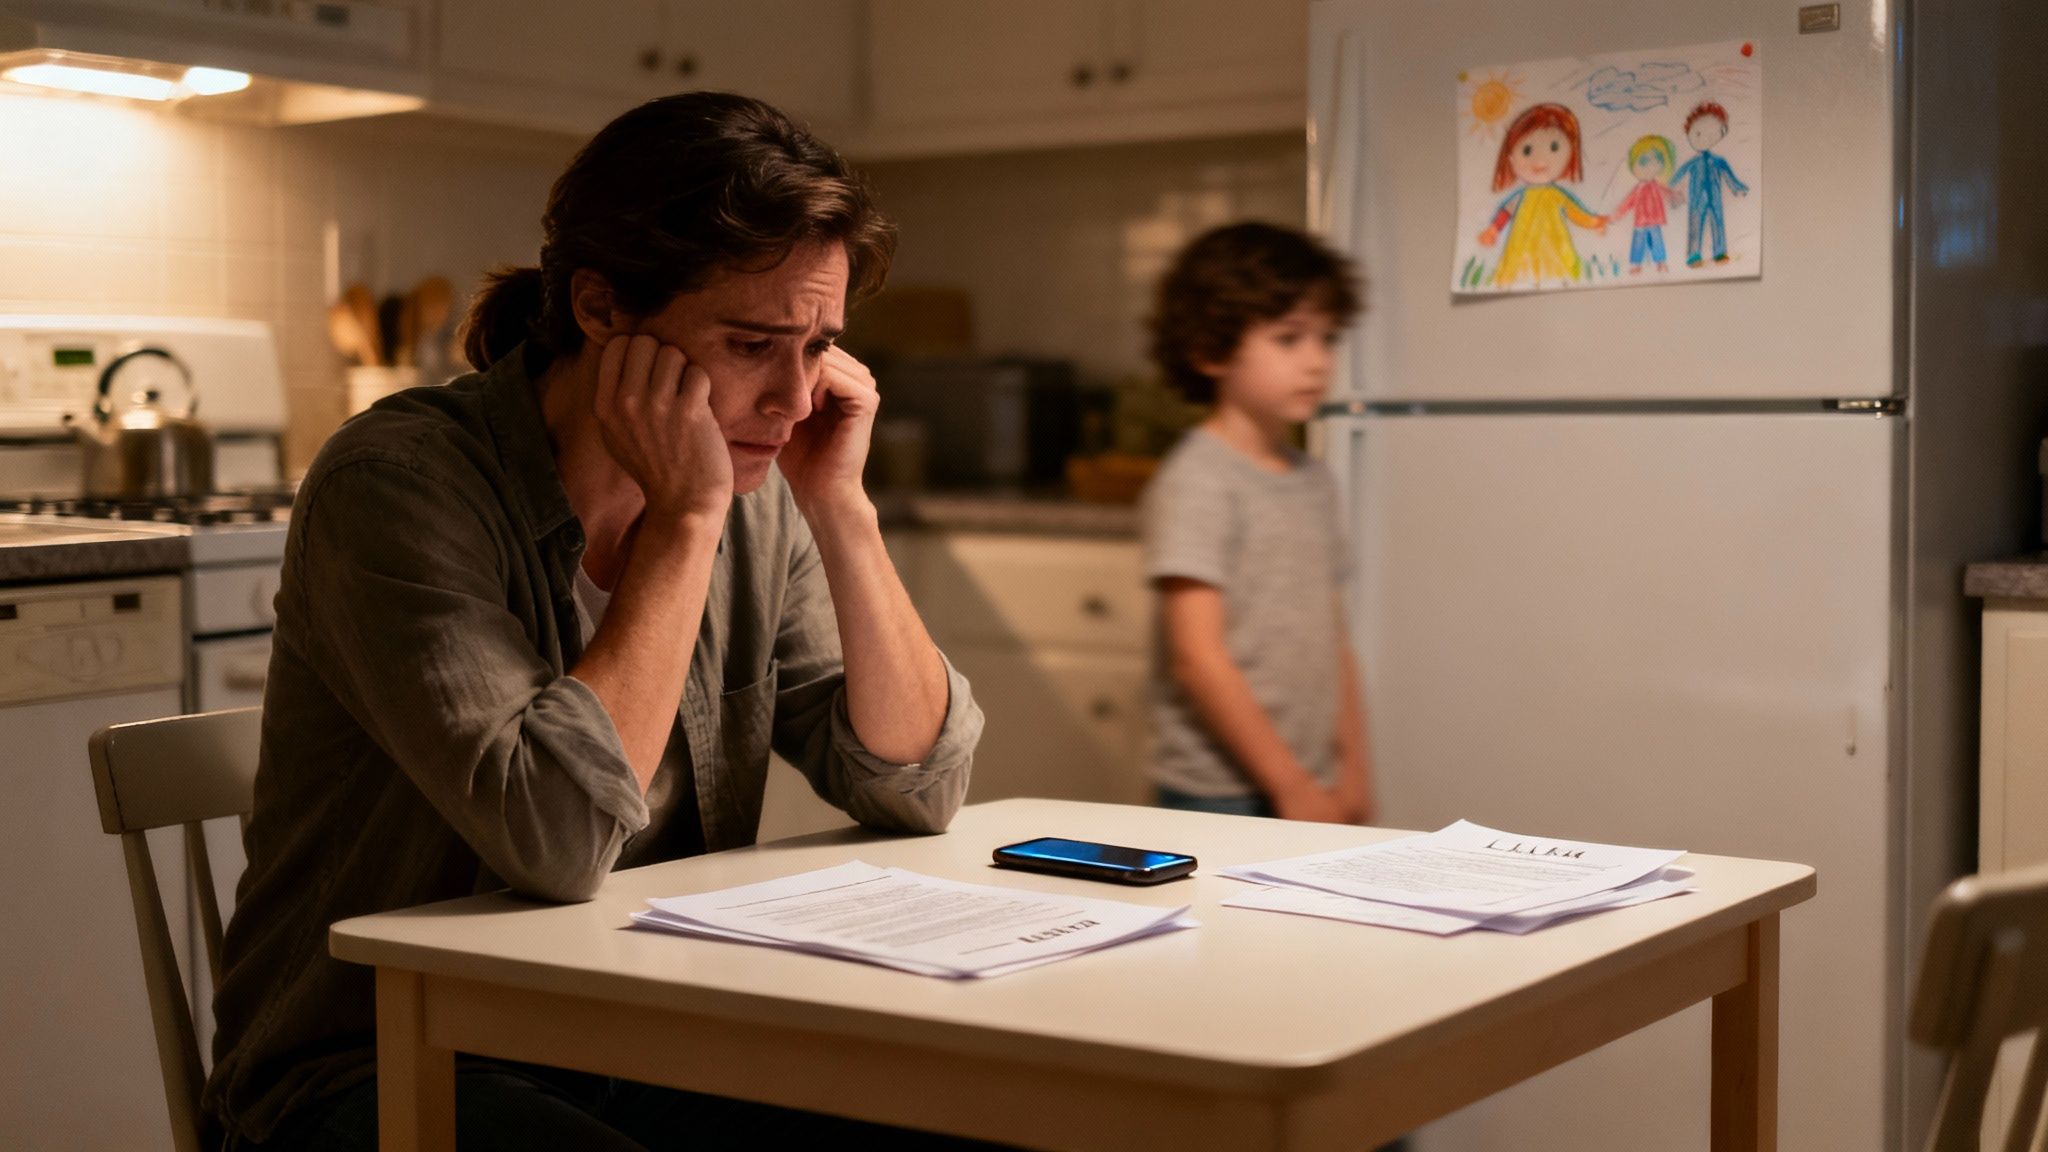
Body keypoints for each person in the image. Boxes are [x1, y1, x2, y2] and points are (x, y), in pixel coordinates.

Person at [204, 92, 989, 1151]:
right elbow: (558, 840)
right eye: (755, 344)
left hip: (638, 1036)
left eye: (819, 348)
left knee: (963, 1118)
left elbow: (915, 782)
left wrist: (840, 509)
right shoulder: (395, 483)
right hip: (380, 1066)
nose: (797, 400)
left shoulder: (762, 492)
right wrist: (685, 520)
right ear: (602, 309)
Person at [1141, 222, 1376, 827]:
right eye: (1290, 338)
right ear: (1211, 349)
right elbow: (1197, 657)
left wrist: (1354, 774)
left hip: (1313, 782)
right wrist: (1290, 785)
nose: (1318, 361)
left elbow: (1333, 641)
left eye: (1326, 338)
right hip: (1219, 793)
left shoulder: (1313, 481)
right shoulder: (1198, 480)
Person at [1476, 102, 1608, 288]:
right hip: (1522, 247)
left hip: (1554, 247)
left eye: (1554, 147)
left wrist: (1594, 222)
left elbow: (1574, 212)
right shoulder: (1521, 197)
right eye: (1527, 150)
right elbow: (1506, 211)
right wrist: (1494, 229)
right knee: (1522, 275)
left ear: (1570, 152)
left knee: (1558, 274)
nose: (1540, 161)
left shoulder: (1556, 195)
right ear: (1511, 159)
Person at [1673, 100, 1750, 267]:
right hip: (1696, 199)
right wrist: (1670, 189)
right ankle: (1694, 254)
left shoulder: (1719, 161)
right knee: (1695, 223)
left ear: (1721, 133)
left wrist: (1738, 189)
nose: (1704, 139)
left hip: (1715, 199)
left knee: (1717, 222)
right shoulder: (1693, 162)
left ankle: (1719, 252)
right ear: (1689, 132)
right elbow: (1678, 176)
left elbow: (1730, 177)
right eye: (1698, 134)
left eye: (1712, 134)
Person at [1611, 134, 1685, 274]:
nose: (1650, 166)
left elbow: (1668, 193)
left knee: (1657, 242)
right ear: (1633, 166)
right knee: (1638, 243)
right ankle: (1636, 265)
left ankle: (1661, 263)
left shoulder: (1657, 186)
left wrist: (1678, 197)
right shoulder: (1637, 189)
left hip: (1655, 221)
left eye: (1657, 160)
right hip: (1640, 222)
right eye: (1643, 161)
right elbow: (1627, 203)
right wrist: (1617, 215)